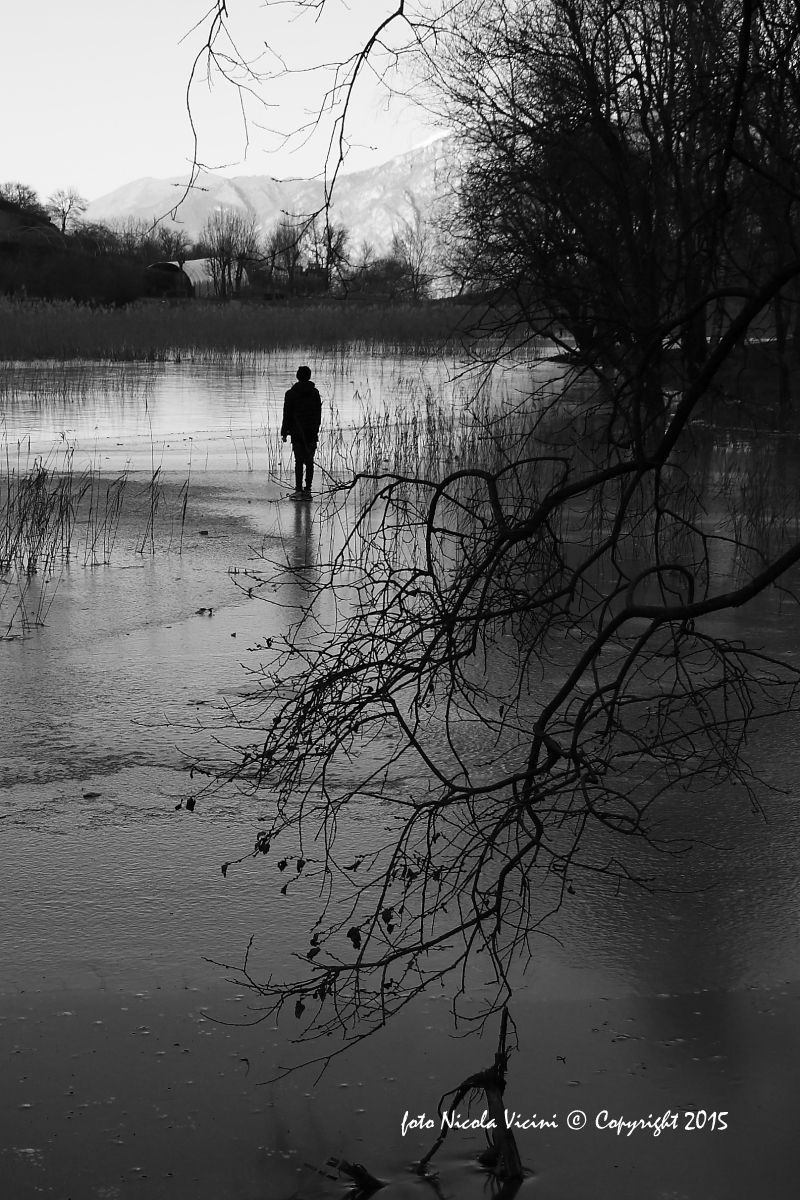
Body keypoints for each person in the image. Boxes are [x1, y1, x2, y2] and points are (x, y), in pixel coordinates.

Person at [281, 365, 322, 498]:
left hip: (297, 432)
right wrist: (316, 429)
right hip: (311, 432)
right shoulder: (315, 393)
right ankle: (308, 489)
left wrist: (284, 431)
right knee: (309, 461)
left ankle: (299, 489)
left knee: (299, 461)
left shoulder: (291, 393)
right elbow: (318, 414)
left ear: (297, 377)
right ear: (309, 376)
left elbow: (287, 414)